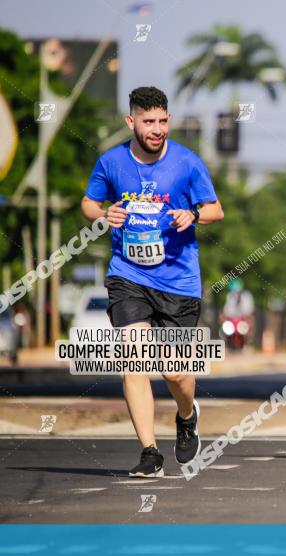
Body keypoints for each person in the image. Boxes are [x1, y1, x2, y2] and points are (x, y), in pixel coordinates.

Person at [81, 86, 224, 477]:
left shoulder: (186, 163)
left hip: (178, 281)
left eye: (162, 121)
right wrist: (103, 214)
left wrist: (193, 216)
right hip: (128, 275)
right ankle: (149, 452)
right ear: (131, 122)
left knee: (175, 371)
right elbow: (89, 203)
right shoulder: (111, 163)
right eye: (148, 122)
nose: (157, 129)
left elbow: (216, 209)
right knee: (136, 358)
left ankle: (186, 415)